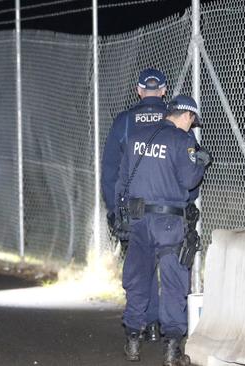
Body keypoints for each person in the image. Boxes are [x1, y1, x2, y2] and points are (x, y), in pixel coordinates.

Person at [115, 95, 211, 365]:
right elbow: (190, 181)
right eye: (192, 122)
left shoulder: (135, 137)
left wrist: (119, 218)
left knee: (137, 279)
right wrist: (201, 162)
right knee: (173, 282)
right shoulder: (182, 140)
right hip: (168, 222)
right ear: (187, 116)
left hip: (137, 220)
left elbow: (121, 181)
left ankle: (133, 340)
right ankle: (172, 348)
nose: (191, 127)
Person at [101, 67, 168, 342]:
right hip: (168, 206)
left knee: (140, 266)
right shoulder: (174, 118)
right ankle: (166, 326)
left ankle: (145, 323)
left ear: (139, 91)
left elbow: (110, 171)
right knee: (172, 268)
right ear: (163, 91)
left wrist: (114, 210)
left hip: (134, 207)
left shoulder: (125, 121)